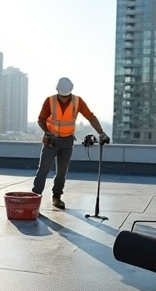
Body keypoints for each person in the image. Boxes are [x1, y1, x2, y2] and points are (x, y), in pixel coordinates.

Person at [33, 77, 109, 209]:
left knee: (61, 171)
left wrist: (101, 132)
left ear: (57, 88)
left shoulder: (77, 101)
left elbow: (90, 116)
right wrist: (47, 132)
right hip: (51, 140)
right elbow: (41, 119)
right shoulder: (50, 101)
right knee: (44, 170)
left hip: (67, 141)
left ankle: (56, 197)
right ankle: (35, 198)